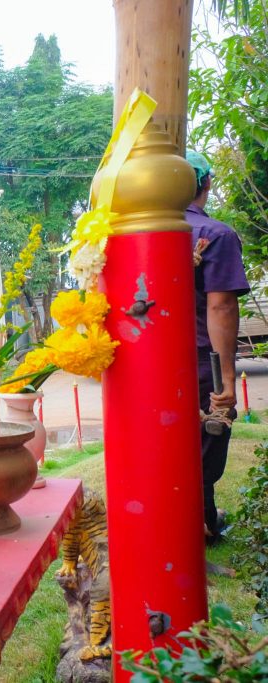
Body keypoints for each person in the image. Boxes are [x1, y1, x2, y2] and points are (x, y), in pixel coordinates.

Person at [185, 149, 250, 544]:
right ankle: (191, 534)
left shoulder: (129, 232)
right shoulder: (215, 235)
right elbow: (221, 304)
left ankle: (206, 522)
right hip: (197, 361)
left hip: (147, 365)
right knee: (205, 441)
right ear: (206, 182)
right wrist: (228, 378)